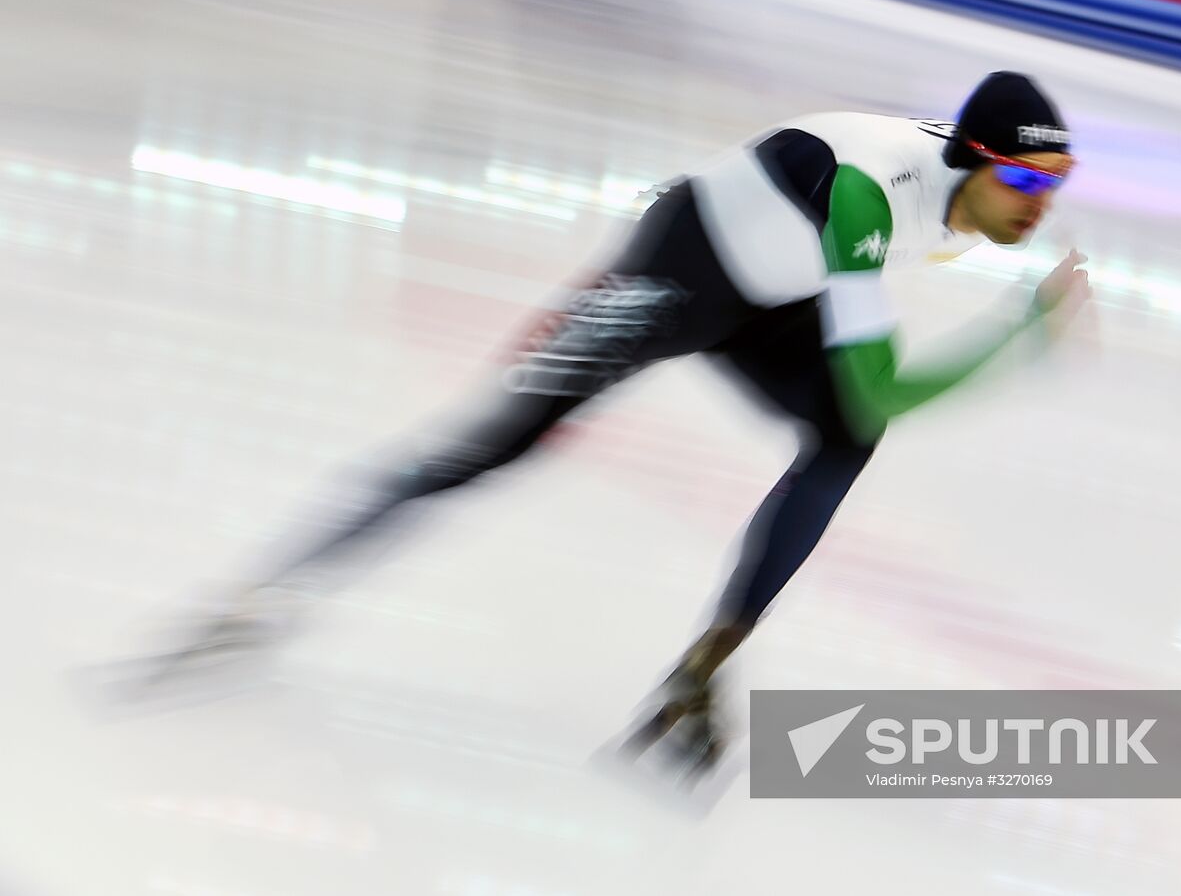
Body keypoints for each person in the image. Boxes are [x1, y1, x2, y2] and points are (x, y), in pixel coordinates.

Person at [146, 71, 1090, 775]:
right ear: (974, 159)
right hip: (674, 272)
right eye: (1026, 183)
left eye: (1057, 185)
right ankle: (258, 597)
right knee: (494, 444)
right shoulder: (869, 195)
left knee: (846, 436)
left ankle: (699, 669)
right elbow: (882, 381)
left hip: (773, 294)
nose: (1039, 207)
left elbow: (860, 378)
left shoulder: (972, 202)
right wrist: (1016, 337)